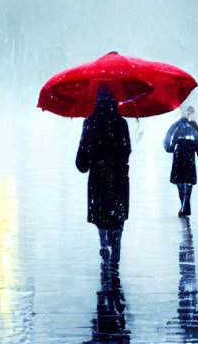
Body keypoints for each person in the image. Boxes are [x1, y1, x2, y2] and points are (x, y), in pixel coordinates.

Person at [76, 87, 131, 273]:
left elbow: (81, 161)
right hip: (118, 178)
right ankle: (116, 247)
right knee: (117, 215)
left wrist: (90, 160)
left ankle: (103, 241)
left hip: (98, 178)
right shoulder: (121, 123)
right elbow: (127, 151)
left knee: (101, 214)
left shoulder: (90, 123)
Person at [163, 106, 198, 217]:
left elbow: (168, 137)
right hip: (189, 154)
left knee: (180, 180)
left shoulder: (178, 125)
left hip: (180, 155)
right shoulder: (193, 125)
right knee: (187, 179)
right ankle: (186, 200)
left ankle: (184, 202)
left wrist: (169, 147)